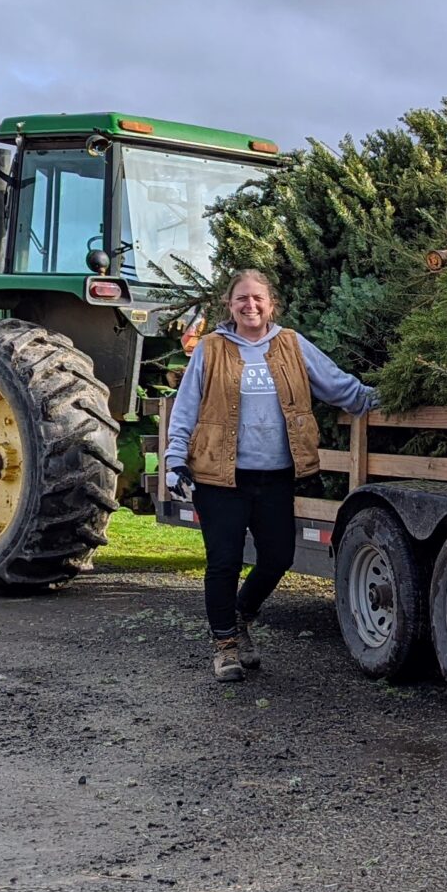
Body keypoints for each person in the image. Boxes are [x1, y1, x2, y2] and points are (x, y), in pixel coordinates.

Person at [162, 269, 378, 682]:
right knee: (224, 562)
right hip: (220, 476)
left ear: (271, 303)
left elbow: (338, 386)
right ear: (229, 305)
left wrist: (386, 396)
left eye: (257, 298)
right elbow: (186, 406)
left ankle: (240, 614)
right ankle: (226, 647)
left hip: (275, 474)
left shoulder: (291, 344)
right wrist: (175, 461)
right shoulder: (211, 348)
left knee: (279, 557)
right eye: (242, 298)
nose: (250, 305)